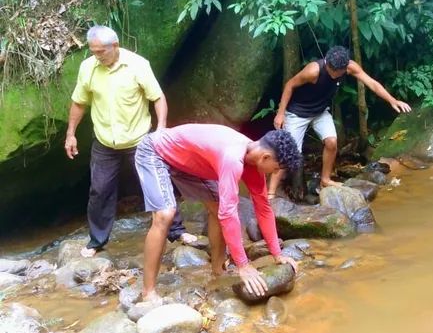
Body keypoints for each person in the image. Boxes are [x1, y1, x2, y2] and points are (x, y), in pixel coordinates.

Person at [65, 25, 194, 257]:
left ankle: (177, 231)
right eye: (93, 51)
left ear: (115, 46)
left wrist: (161, 129)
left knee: (157, 184)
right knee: (100, 191)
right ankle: (97, 241)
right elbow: (79, 102)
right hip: (105, 141)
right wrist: (70, 133)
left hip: (139, 139)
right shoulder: (88, 68)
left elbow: (157, 97)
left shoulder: (138, 64)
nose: (97, 56)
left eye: (101, 51)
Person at [134, 124, 302, 302]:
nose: (274, 173)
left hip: (191, 163)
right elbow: (228, 215)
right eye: (275, 169)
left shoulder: (254, 163)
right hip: (156, 151)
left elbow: (263, 208)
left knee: (219, 206)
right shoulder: (233, 158)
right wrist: (243, 265)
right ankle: (148, 292)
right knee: (165, 215)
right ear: (265, 157)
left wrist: (277, 254)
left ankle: (218, 270)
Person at [269, 45, 411, 195]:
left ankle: (325, 179)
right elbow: (290, 84)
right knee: (289, 154)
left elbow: (372, 83)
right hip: (297, 113)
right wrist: (280, 113)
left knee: (331, 142)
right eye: (331, 70)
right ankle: (270, 194)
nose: (334, 74)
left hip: (320, 111)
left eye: (338, 72)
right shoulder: (313, 71)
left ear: (345, 67)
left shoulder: (350, 67)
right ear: (327, 62)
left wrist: (392, 100)